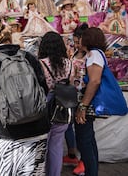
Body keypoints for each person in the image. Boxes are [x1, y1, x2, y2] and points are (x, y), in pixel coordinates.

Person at [0, 15, 50, 176]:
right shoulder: (29, 57)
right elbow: (45, 89)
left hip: (6, 133)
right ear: (10, 37)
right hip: (37, 130)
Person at [38, 31, 74, 176]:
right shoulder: (69, 63)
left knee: (42, 144)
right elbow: (71, 84)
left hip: (45, 106)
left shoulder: (41, 63)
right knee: (56, 145)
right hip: (63, 106)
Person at [74, 27, 108, 176]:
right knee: (88, 140)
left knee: (85, 142)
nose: (79, 41)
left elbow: (94, 81)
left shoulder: (93, 55)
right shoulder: (95, 54)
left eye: (82, 38)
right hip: (88, 103)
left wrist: (83, 106)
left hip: (87, 104)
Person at [63, 24, 89, 176]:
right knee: (67, 125)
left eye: (78, 42)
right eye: (75, 42)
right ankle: (72, 154)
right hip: (71, 94)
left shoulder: (89, 56)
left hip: (81, 97)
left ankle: (83, 162)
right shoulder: (75, 54)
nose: (76, 45)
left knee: (82, 131)